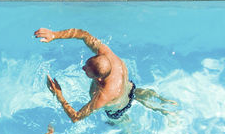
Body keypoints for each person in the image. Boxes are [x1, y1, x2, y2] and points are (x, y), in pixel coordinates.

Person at [33, 26, 176, 122]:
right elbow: (83, 35)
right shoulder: (108, 55)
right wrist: (55, 35)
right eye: (87, 64)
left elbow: (76, 117)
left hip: (118, 109)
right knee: (137, 93)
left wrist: (58, 94)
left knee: (121, 124)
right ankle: (164, 103)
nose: (83, 68)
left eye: (86, 70)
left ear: (99, 79)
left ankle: (130, 130)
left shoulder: (104, 95)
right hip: (131, 88)